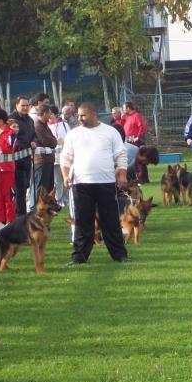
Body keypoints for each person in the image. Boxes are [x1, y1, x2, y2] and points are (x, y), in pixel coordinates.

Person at [60, 102, 129, 265]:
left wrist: (122, 173)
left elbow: (121, 154)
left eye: (83, 115)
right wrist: (65, 176)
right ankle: (79, 257)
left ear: (93, 114)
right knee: (83, 222)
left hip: (106, 182)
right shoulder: (73, 134)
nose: (80, 118)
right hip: (81, 184)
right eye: (79, 115)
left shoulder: (110, 132)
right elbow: (65, 157)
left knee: (111, 221)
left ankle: (120, 255)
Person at [8, 96, 37, 216]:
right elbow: (11, 138)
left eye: (27, 105)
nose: (25, 108)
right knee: (18, 189)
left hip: (27, 158)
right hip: (15, 159)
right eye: (22, 105)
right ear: (16, 105)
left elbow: (34, 135)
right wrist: (24, 145)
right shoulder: (11, 120)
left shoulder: (30, 120)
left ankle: (22, 214)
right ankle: (20, 216)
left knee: (25, 187)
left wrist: (34, 141)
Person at [0, 110, 18, 228]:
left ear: (1, 120)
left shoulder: (10, 133)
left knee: (8, 196)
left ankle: (11, 220)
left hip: (7, 170)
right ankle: (1, 221)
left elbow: (8, 149)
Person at [30, 104, 57, 210]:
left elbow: (53, 139)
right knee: (40, 187)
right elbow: (48, 141)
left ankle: (46, 208)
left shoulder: (44, 125)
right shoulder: (37, 126)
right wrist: (54, 141)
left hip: (48, 159)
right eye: (49, 113)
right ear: (44, 113)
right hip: (41, 161)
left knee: (48, 186)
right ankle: (35, 208)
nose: (51, 115)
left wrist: (54, 141)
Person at [49, 105, 71, 206]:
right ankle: (59, 200)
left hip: (65, 156)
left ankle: (67, 199)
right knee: (57, 180)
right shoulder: (47, 126)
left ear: (52, 114)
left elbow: (69, 138)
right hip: (54, 158)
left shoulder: (64, 125)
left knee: (66, 178)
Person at [122, 101, 149, 183]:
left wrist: (138, 137)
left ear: (128, 108)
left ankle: (141, 178)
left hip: (136, 141)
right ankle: (136, 178)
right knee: (133, 160)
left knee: (139, 160)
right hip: (129, 140)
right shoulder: (127, 117)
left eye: (123, 108)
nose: (123, 110)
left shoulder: (136, 115)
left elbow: (142, 127)